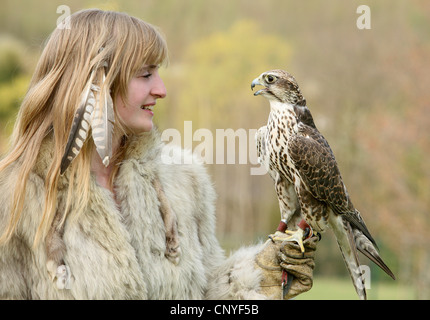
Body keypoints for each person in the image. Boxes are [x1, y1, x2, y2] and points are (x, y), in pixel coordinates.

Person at [0, 9, 317, 300]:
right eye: (145, 74)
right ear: (95, 83)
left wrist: (262, 277)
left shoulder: (184, 179)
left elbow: (202, 295)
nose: (162, 89)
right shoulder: (16, 196)